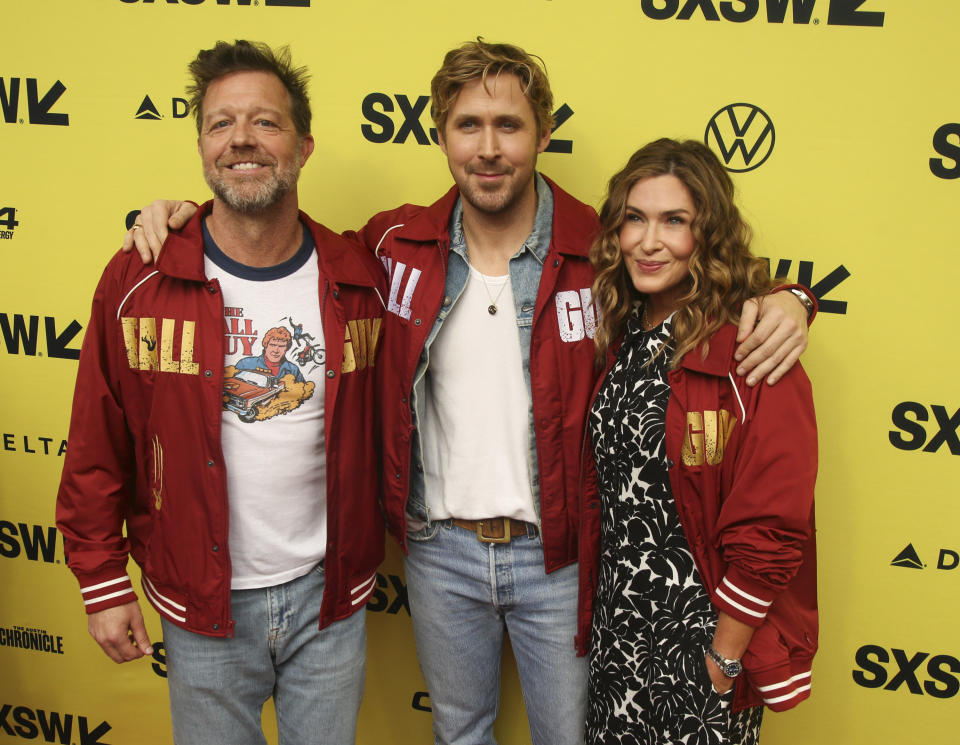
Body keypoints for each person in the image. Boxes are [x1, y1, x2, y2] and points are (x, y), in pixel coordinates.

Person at [120, 40, 812, 745]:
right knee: (459, 732)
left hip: (559, 557)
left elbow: (696, 277)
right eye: (467, 126)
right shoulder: (395, 247)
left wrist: (790, 298)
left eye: (507, 126)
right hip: (439, 552)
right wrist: (186, 221)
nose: (488, 148)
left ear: (543, 132)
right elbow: (274, 239)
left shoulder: (599, 247)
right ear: (441, 134)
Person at [56, 40, 385, 745]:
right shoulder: (140, 278)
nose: (241, 138)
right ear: (203, 147)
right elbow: (95, 442)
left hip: (330, 598)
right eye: (220, 123)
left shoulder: (359, 277)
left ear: (304, 145)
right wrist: (102, 580)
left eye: (265, 122)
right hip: (201, 602)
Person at [576, 138, 818, 745]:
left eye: (674, 221)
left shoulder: (753, 349)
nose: (649, 241)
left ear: (707, 236)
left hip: (700, 643)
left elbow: (773, 524)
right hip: (616, 637)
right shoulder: (622, 328)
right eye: (635, 218)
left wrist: (723, 660)